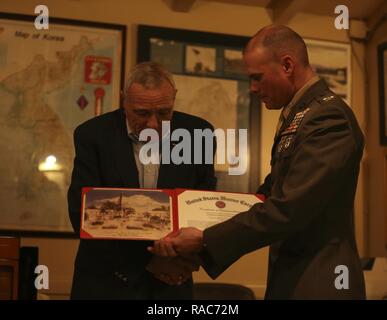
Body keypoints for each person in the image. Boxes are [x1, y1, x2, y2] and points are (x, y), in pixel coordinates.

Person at [149, 25, 366, 299]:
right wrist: (202, 230)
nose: (251, 88)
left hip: (320, 282)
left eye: (257, 77)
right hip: (294, 278)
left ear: (287, 65)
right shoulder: (300, 114)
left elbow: (290, 208)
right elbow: (267, 196)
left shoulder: (327, 117)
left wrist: (205, 239)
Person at [67, 61, 216, 299]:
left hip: (171, 285)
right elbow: (83, 214)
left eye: (164, 112)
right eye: (142, 113)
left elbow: (202, 210)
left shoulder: (199, 134)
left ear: (174, 98)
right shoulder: (92, 135)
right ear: (123, 100)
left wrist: (181, 260)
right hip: (106, 283)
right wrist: (151, 261)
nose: (153, 124)